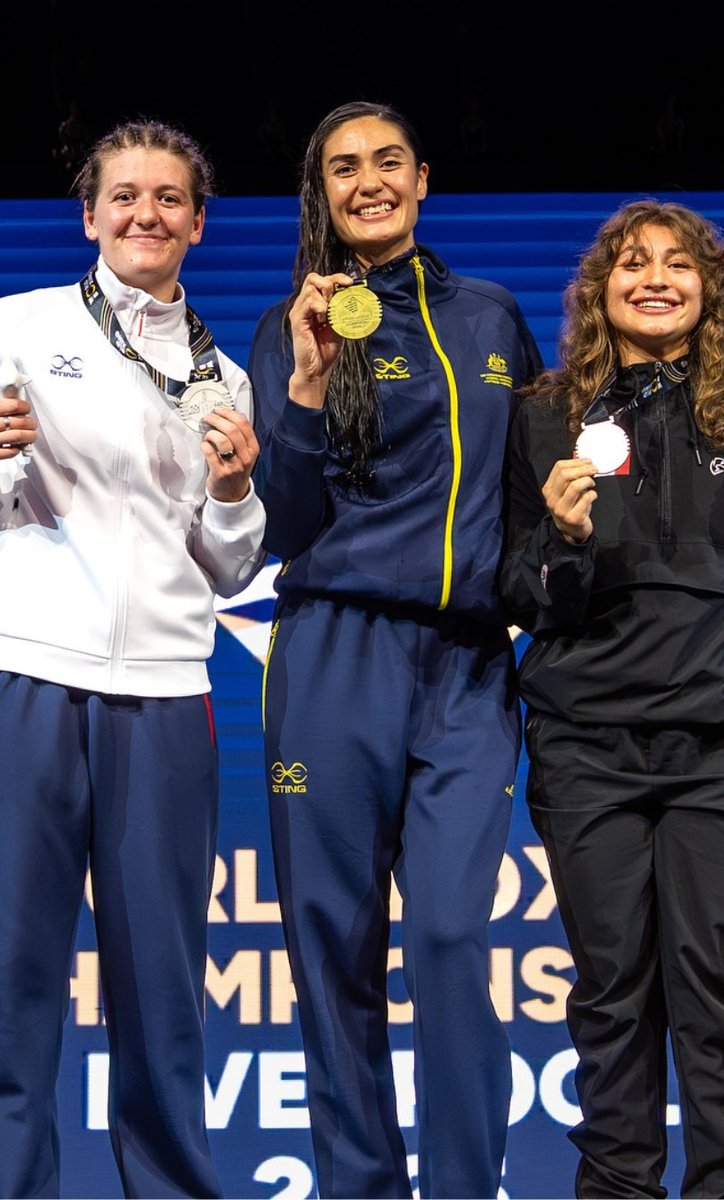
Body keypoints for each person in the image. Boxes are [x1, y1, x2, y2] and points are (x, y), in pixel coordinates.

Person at [248, 100, 542, 1199]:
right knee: (333, 957)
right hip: (331, 660)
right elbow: (278, 522)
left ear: (422, 176)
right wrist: (311, 383)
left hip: (468, 672)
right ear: (320, 195)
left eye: (384, 162)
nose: (366, 182)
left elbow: (527, 492)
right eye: (340, 169)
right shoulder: (294, 326)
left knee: (457, 943)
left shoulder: (494, 316)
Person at [0, 119, 265, 1198]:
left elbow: (232, 568)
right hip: (33, 676)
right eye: (125, 195)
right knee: (15, 975)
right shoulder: (18, 327)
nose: (145, 213)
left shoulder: (226, 377)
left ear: (197, 224)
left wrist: (240, 488)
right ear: (90, 215)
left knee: (161, 986)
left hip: (164, 694)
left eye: (169, 198)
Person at [499, 198, 724, 1199]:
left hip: (723, 746)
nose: (654, 278)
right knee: (612, 997)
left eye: (678, 263)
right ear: (598, 289)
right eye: (631, 264)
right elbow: (513, 589)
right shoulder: (541, 412)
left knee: (718, 1002)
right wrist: (561, 542)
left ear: (712, 287)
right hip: (588, 747)